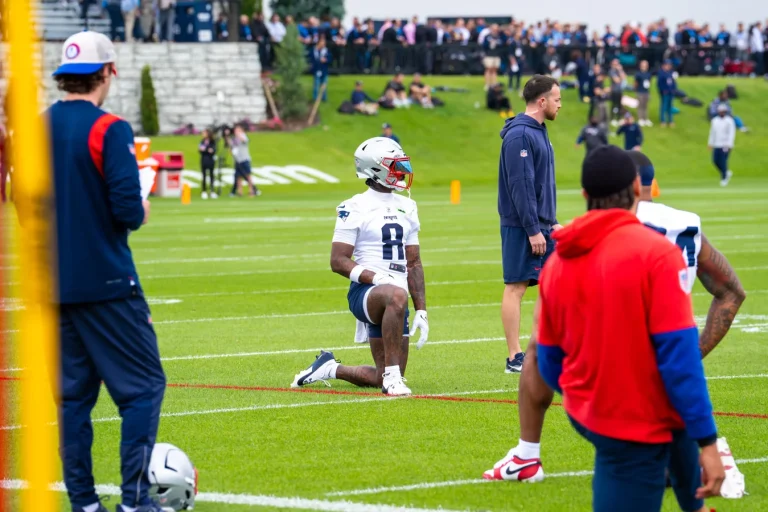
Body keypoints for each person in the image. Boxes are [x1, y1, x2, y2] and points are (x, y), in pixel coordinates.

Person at [483, 149, 745, 494]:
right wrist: (691, 355)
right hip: (666, 366)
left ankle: (528, 454)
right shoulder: (685, 223)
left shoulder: (612, 230)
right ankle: (696, 455)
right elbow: (731, 293)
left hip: (611, 376)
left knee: (539, 345)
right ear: (641, 185)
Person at [533, 145, 724, 512]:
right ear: (638, 188)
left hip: (598, 414)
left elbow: (549, 359)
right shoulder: (656, 254)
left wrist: (590, 396)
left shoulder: (558, 262)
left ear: (585, 195)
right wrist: (710, 443)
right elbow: (681, 361)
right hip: (635, 424)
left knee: (677, 446)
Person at [45, 31, 166, 512]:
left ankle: (84, 503)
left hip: (54, 283)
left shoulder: (36, 128)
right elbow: (125, 210)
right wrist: (140, 207)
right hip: (108, 283)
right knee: (143, 389)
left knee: (73, 399)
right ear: (109, 72)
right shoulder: (109, 129)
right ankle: (136, 500)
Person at [291, 136, 428, 396]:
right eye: (394, 165)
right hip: (367, 293)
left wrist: (421, 309)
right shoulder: (354, 206)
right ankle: (394, 380)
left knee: (383, 375)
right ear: (375, 168)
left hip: (396, 300)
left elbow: (414, 261)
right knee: (395, 297)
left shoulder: (408, 206)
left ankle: (329, 368)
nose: (401, 171)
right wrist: (376, 279)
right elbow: (338, 261)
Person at [497, 74, 562, 374]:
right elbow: (520, 185)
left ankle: (547, 348)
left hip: (544, 223)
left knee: (557, 285)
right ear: (542, 101)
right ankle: (515, 357)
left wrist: (551, 222)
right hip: (523, 225)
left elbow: (540, 184)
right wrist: (533, 228)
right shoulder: (520, 135)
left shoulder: (539, 131)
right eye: (557, 99)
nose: (560, 105)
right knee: (516, 287)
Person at [228, 125, 261, 197]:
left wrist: (239, 135)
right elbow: (231, 149)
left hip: (244, 159)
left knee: (248, 175)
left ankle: (251, 190)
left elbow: (244, 140)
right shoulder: (233, 139)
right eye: (235, 131)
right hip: (237, 160)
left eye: (238, 130)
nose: (236, 132)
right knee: (238, 177)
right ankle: (240, 192)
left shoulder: (243, 136)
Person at [708, 103, 736, 187]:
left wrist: (730, 144)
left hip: (725, 144)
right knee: (715, 161)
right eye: (720, 111)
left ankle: (724, 178)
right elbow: (712, 133)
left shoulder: (729, 121)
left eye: (723, 111)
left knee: (723, 161)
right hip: (717, 144)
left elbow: (731, 133)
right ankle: (726, 172)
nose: (722, 113)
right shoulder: (715, 120)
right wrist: (710, 143)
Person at [198, 129, 217, 199]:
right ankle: (204, 191)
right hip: (204, 160)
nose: (202, 134)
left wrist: (206, 150)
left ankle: (212, 191)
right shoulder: (202, 141)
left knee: (211, 175)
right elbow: (200, 150)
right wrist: (207, 150)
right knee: (204, 176)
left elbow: (213, 150)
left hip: (211, 160)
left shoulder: (212, 141)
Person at [657, 60, 677, 127]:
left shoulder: (671, 73)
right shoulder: (661, 73)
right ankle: (663, 120)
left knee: (670, 106)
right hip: (665, 92)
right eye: (667, 65)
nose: (668, 66)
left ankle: (670, 120)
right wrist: (662, 90)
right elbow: (659, 83)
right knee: (664, 106)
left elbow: (674, 82)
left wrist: (674, 89)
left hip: (671, 92)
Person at [312, 36, 329, 103]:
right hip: (317, 69)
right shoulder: (314, 50)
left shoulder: (326, 50)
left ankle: (324, 98)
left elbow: (329, 58)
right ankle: (315, 98)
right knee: (316, 84)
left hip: (324, 70)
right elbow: (312, 59)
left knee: (324, 84)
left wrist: (326, 60)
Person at [608, 58, 625, 126]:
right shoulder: (611, 71)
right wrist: (620, 77)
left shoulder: (619, 71)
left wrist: (620, 70)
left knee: (619, 105)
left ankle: (619, 118)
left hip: (619, 90)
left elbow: (624, 77)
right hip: (614, 90)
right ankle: (612, 118)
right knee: (614, 105)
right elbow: (616, 80)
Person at [635, 60, 652, 126]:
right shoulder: (638, 74)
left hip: (646, 91)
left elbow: (650, 81)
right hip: (640, 91)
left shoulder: (648, 74)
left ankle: (646, 118)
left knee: (645, 106)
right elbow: (636, 83)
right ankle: (641, 119)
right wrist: (636, 90)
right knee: (640, 106)